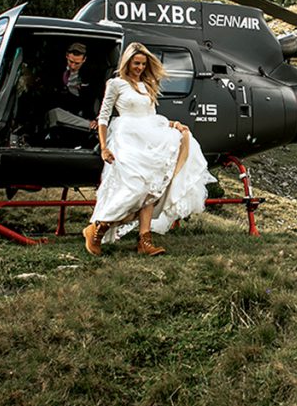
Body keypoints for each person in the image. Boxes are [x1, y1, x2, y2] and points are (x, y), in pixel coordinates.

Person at [83, 42, 216, 256]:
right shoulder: (116, 84)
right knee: (133, 187)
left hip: (150, 137)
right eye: (136, 63)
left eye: (143, 64)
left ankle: (144, 240)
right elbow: (104, 117)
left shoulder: (147, 85)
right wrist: (104, 147)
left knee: (152, 187)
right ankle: (98, 229)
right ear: (127, 62)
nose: (140, 68)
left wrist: (172, 124)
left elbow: (152, 116)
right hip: (127, 137)